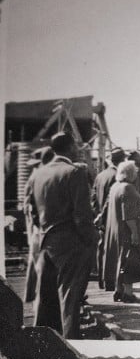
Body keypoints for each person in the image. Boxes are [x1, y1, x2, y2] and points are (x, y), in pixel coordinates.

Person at [24, 132, 98, 339]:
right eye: (75, 146)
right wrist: (92, 239)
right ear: (71, 147)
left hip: (46, 242)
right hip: (71, 243)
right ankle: (72, 342)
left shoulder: (39, 174)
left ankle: (42, 340)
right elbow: (82, 216)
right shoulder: (74, 173)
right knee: (70, 297)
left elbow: (33, 212)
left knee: (46, 297)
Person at [102, 161, 140, 303]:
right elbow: (129, 215)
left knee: (119, 259)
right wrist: (135, 233)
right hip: (125, 230)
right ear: (131, 173)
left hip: (114, 230)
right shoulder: (128, 188)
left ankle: (118, 290)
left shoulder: (115, 187)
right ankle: (128, 293)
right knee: (129, 260)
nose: (137, 174)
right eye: (135, 172)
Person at [22, 146, 54, 303]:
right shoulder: (38, 177)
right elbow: (31, 205)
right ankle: (39, 297)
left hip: (34, 226)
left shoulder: (34, 175)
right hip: (38, 227)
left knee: (34, 260)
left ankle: (30, 294)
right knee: (39, 262)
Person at [91, 147, 126, 289]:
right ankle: (111, 282)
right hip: (112, 219)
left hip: (100, 219)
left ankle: (102, 280)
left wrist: (97, 216)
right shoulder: (117, 176)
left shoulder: (100, 175)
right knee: (113, 252)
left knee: (101, 249)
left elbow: (93, 198)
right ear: (122, 160)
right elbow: (111, 200)